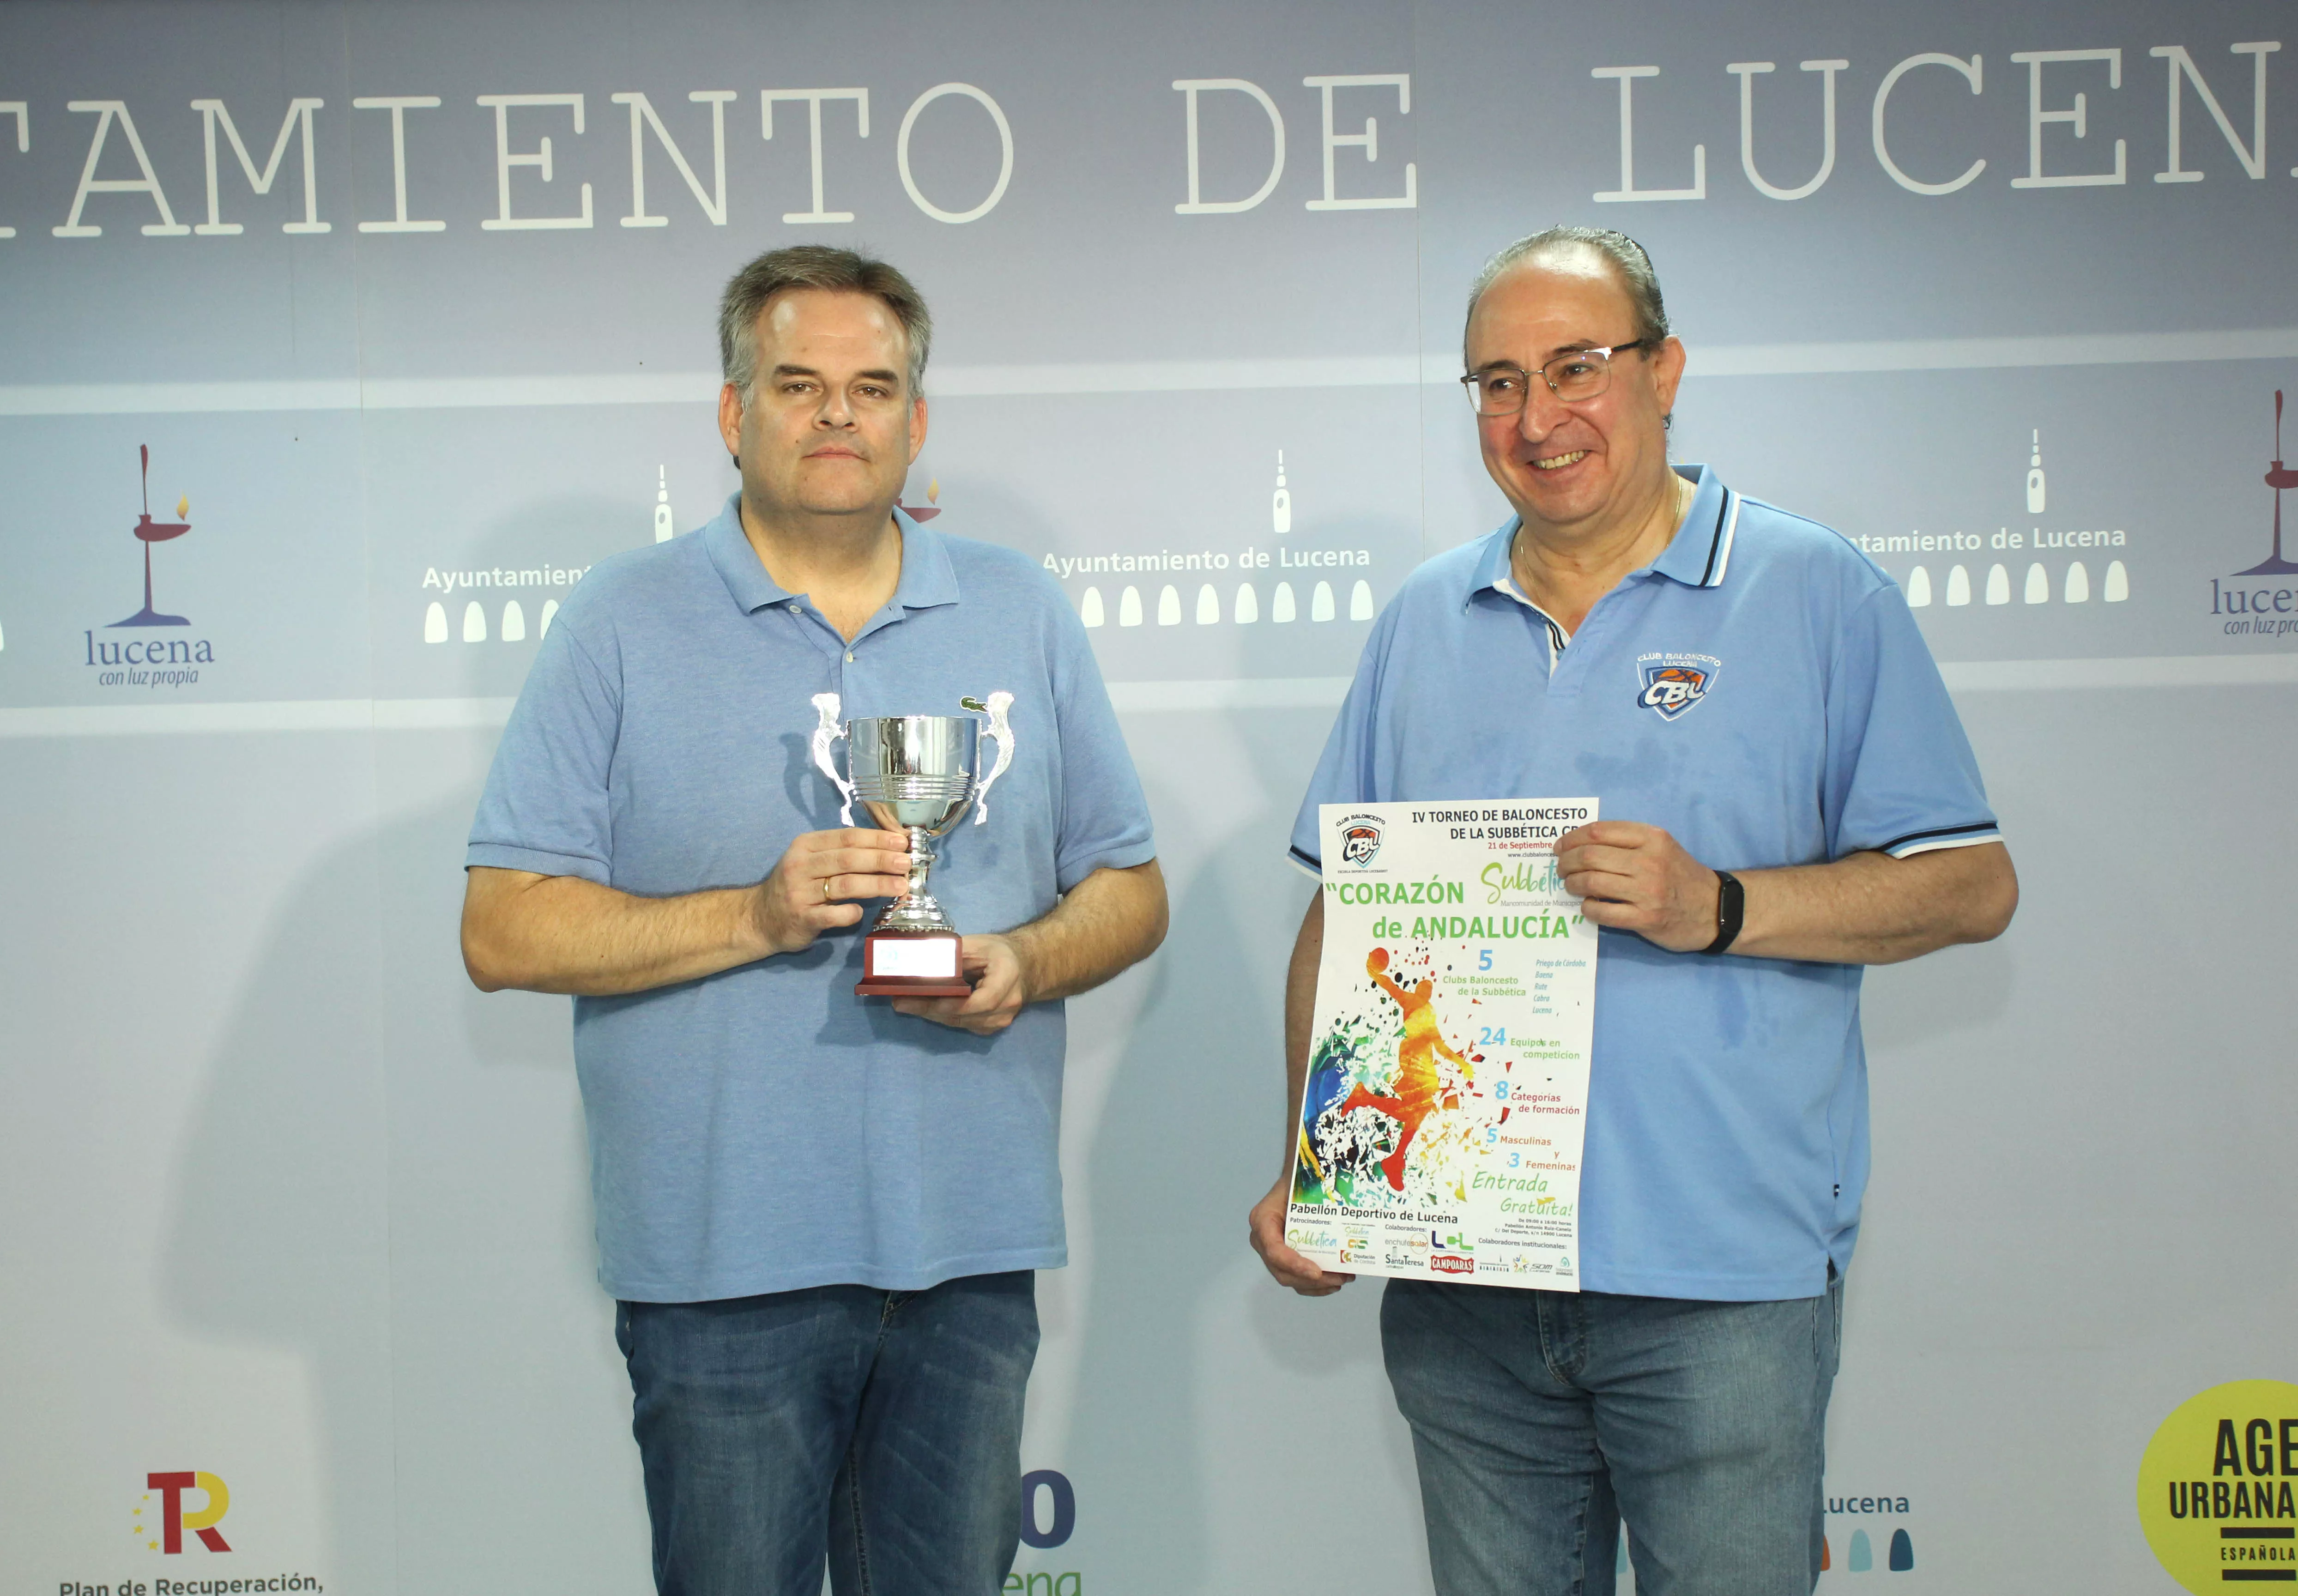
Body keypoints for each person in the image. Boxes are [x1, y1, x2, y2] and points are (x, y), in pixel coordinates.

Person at [1248, 225, 2017, 1596]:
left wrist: (1718, 904)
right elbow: (1342, 922)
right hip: (1465, 1282)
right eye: (1496, 382)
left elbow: (1969, 884)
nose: (1537, 419)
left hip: (1717, 1284)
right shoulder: (1426, 619)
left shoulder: (1816, 591)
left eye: (1576, 369)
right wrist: (1325, 1168)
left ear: (1665, 373)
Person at [461, 244, 1168, 1596]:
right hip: (724, 1269)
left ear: (917, 418)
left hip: (967, 1254)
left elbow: (1130, 892)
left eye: (873, 386)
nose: (838, 414)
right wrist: (758, 913)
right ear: (734, 415)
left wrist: (1022, 960)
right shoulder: (617, 620)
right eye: (799, 384)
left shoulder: (1019, 609)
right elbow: (503, 930)